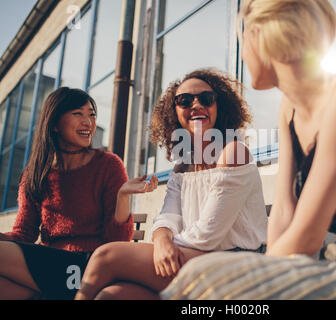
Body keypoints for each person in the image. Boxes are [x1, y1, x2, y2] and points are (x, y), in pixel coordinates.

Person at [160, 0, 336, 300]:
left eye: (243, 40)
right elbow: (286, 211)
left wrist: (258, 279)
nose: (243, 55)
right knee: (202, 277)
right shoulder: (290, 110)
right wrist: (264, 273)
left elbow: (308, 235)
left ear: (260, 35)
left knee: (208, 281)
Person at [74, 69, 268, 300]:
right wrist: (162, 240)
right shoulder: (182, 166)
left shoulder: (234, 153)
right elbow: (168, 217)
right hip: (194, 260)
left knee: (106, 256)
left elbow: (208, 234)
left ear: (220, 106)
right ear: (174, 113)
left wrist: (164, 246)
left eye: (206, 98)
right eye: (184, 100)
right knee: (112, 295)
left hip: (236, 267)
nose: (195, 105)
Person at [0, 87, 158, 300]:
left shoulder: (108, 165)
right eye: (78, 114)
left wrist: (123, 197)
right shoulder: (35, 173)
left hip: (91, 267)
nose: (88, 122)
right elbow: (24, 234)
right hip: (50, 265)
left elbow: (117, 241)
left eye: (92, 115)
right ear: (54, 123)